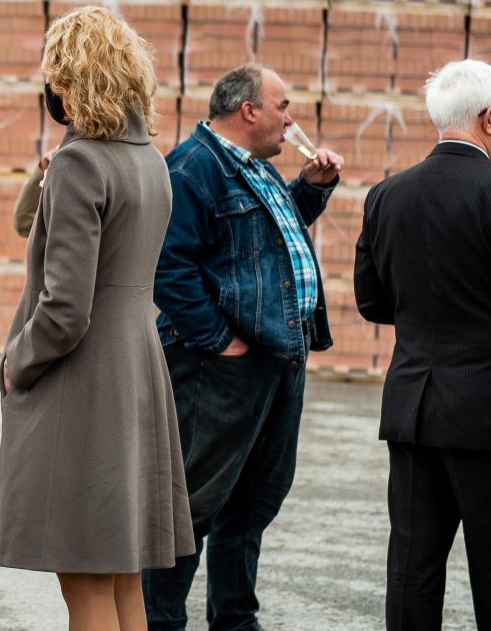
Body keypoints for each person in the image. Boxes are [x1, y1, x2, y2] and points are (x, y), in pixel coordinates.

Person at [0, 7, 194, 630]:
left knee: (84, 582)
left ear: (70, 78)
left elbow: (65, 307)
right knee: (123, 578)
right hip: (133, 367)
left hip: (80, 386)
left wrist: (16, 362)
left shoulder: (83, 163)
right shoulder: (151, 159)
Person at [145, 63, 344, 631]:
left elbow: (261, 246)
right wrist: (220, 341)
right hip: (219, 368)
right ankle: (159, 622)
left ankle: (234, 620)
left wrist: (310, 190)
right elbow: (168, 265)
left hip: (275, 361)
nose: (291, 118)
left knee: (252, 503)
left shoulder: (252, 168)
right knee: (193, 506)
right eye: (284, 106)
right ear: (249, 110)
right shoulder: (192, 167)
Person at [354, 59, 491, 629]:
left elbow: (372, 303)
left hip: (413, 410)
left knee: (412, 569)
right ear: (489, 118)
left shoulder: (385, 195)